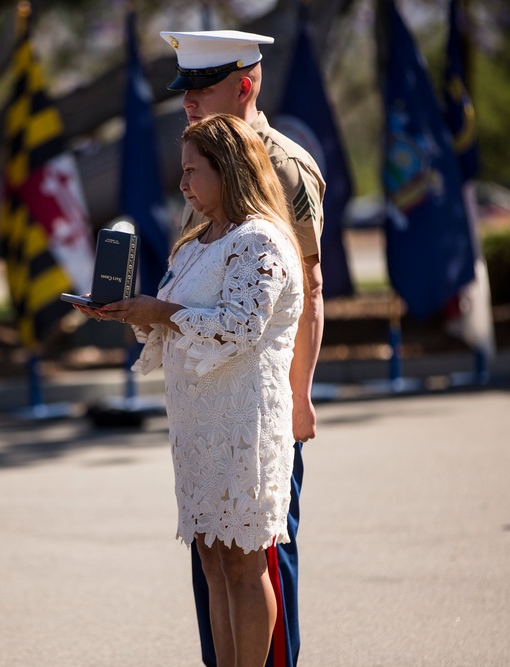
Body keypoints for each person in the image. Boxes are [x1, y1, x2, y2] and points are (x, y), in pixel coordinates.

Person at [83, 113, 304, 667]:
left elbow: (239, 326)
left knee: (245, 564)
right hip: (199, 427)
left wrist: (161, 310)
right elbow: (175, 323)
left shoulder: (261, 240)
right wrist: (135, 313)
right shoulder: (195, 243)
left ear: (228, 169)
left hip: (243, 424)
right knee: (212, 559)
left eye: (191, 171)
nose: (182, 184)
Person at [158, 29, 327, 667]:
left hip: (257, 405)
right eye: (185, 91)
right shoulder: (201, 157)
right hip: (207, 404)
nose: (189, 102)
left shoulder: (283, 165)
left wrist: (299, 396)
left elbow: (308, 286)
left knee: (260, 556)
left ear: (245, 85)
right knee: (214, 565)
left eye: (201, 89)